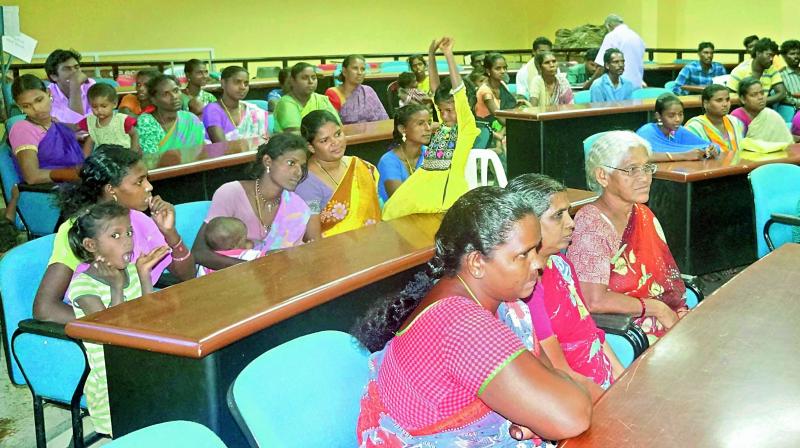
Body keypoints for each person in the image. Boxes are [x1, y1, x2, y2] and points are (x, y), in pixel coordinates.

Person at [353, 187, 592, 447]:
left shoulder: (500, 304)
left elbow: (553, 379)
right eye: (523, 255)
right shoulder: (461, 325)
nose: (538, 264)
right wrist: (537, 416)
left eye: (536, 250)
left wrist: (538, 415)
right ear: (477, 262)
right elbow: (572, 416)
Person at [33, 145, 196, 324]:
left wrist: (170, 233)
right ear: (111, 190)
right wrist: (101, 321)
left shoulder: (138, 219)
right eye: (139, 181)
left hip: (137, 316)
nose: (149, 187)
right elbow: (44, 309)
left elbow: (187, 276)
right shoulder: (80, 229)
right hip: (106, 329)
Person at [507, 174, 624, 393]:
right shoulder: (528, 291)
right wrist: (612, 401)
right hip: (579, 396)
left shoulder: (561, 265)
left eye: (568, 213)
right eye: (558, 215)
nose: (571, 223)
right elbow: (560, 373)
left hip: (603, 382)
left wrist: (623, 379)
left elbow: (591, 331)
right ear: (528, 224)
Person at [567, 131, 688, 341]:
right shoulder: (591, 225)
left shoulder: (642, 213)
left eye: (647, 168)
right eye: (632, 170)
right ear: (602, 176)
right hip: (626, 332)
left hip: (661, 315)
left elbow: (664, 276)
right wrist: (657, 308)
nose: (644, 178)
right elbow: (592, 300)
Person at [67, 201, 169, 436]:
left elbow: (149, 319)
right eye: (116, 235)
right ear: (91, 245)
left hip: (143, 364)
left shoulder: (133, 270)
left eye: (129, 233)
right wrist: (116, 288)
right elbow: (115, 336)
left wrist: (144, 278)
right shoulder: (84, 287)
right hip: (114, 384)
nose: (128, 241)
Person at [382, 37, 480, 221]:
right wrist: (431, 55)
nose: (443, 115)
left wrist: (448, 54)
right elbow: (435, 89)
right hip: (426, 180)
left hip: (446, 190)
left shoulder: (466, 127)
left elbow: (459, 91)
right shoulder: (444, 125)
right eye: (441, 111)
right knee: (392, 209)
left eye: (449, 111)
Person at [193, 133, 319, 270]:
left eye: (302, 166)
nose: (298, 172)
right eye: (291, 163)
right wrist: (257, 266)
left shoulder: (297, 207)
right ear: (268, 161)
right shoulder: (231, 193)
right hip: (228, 280)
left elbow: (291, 259)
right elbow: (199, 253)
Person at [295, 110, 381, 237]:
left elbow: (378, 210)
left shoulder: (360, 166)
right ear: (311, 147)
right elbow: (313, 238)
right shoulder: (307, 183)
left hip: (373, 241)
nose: (335, 142)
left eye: (338, 134)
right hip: (333, 251)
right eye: (324, 140)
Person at [8, 74, 84, 185]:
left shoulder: (56, 124)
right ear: (19, 106)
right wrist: (76, 175)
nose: (36, 109)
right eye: (26, 106)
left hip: (75, 183)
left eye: (39, 100)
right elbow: (32, 177)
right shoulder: (22, 129)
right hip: (50, 190)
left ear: (49, 93)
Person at [636, 93, 718, 161]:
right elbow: (641, 156)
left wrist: (711, 149)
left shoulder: (679, 131)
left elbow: (706, 145)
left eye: (680, 114)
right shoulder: (647, 132)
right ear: (658, 116)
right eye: (671, 115)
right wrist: (684, 156)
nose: (678, 119)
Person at [136, 74, 205, 153]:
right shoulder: (146, 122)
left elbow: (201, 151)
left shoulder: (190, 119)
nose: (174, 96)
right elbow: (150, 159)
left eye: (176, 91)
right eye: (166, 94)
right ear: (154, 100)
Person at [378, 104, 431, 202]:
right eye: (420, 123)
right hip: (395, 215)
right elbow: (399, 201)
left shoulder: (431, 154)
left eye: (429, 122)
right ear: (402, 129)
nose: (428, 128)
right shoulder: (388, 162)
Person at [203, 66, 268, 143]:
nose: (243, 87)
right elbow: (221, 145)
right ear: (223, 83)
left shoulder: (253, 111)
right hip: (225, 154)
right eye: (237, 82)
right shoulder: (212, 109)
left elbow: (265, 141)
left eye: (246, 84)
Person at [273, 62, 340, 133]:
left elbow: (337, 127)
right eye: (305, 78)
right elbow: (295, 135)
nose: (311, 81)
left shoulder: (321, 99)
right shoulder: (286, 103)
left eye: (314, 78)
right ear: (292, 81)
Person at [325, 55, 388, 124]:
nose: (359, 73)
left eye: (363, 69)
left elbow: (384, 119)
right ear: (344, 71)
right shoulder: (333, 93)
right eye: (355, 68)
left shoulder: (368, 91)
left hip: (373, 133)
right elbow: (332, 125)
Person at [730, 77, 794, 146]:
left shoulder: (770, 114)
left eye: (762, 93)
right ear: (743, 99)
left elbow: (785, 141)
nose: (760, 97)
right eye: (754, 95)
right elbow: (738, 145)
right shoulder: (737, 117)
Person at [78, 83, 140, 153]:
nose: (99, 110)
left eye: (104, 106)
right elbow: (89, 141)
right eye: (94, 107)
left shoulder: (122, 120)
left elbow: (134, 134)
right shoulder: (90, 121)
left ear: (114, 104)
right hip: (104, 158)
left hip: (123, 157)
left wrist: (133, 152)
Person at [685, 84, 746, 152]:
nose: (725, 104)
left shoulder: (735, 122)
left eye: (727, 100)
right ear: (706, 103)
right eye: (719, 100)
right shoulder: (694, 128)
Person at [727, 38, 787, 106]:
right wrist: (750, 102)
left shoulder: (771, 69)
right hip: (741, 107)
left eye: (773, 56)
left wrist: (761, 101)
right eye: (769, 55)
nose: (771, 59)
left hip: (763, 106)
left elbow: (782, 93)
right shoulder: (740, 70)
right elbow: (728, 97)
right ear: (758, 53)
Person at [196, 216, 263, 276]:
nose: (247, 240)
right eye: (245, 239)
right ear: (235, 245)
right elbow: (266, 259)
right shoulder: (245, 255)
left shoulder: (205, 263)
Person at [592, 14, 645, 89]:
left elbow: (601, 66)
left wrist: (589, 84)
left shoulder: (611, 36)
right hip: (637, 85)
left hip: (618, 87)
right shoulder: (637, 37)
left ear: (608, 26)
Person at [44, 49, 95, 124]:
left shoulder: (90, 85)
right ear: (54, 76)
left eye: (76, 67)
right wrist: (75, 86)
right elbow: (75, 123)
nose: (75, 72)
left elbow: (98, 117)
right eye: (67, 69)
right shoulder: (48, 95)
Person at [779, 40, 800, 110]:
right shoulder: (780, 75)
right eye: (792, 54)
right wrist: (795, 103)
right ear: (784, 56)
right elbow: (782, 97)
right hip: (793, 112)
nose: (796, 56)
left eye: (798, 53)